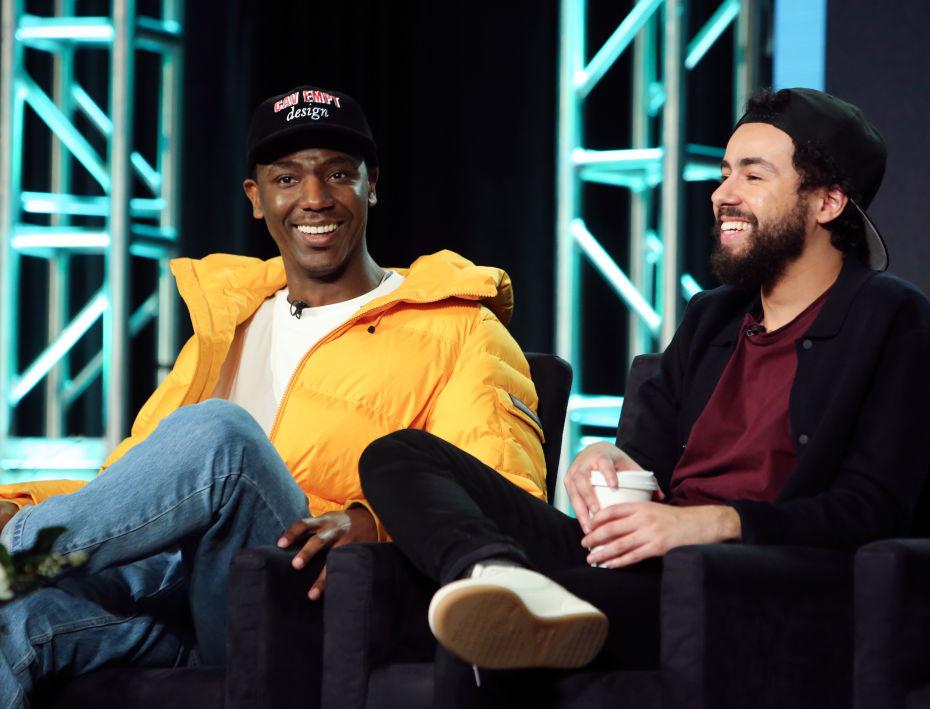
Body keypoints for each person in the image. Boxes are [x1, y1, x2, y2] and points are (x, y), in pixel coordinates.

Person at [357, 88, 930, 697]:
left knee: (493, 633)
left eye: (753, 174)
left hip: (749, 585)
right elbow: (640, 457)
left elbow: (870, 510)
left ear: (827, 202)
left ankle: (516, 599)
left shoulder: (890, 317)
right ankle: (498, 568)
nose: (723, 194)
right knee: (399, 454)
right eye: (724, 173)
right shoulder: (713, 317)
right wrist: (605, 461)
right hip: (642, 560)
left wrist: (710, 525)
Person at [0, 85, 545, 705]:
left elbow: (505, 498)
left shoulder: (461, 328)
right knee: (11, 625)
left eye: (338, 174)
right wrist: (18, 501)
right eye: (287, 178)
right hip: (172, 600)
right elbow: (130, 487)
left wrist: (374, 520)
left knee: (222, 436)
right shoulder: (229, 323)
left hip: (310, 598)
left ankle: (13, 558)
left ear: (372, 186)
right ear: (257, 199)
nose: (315, 198)